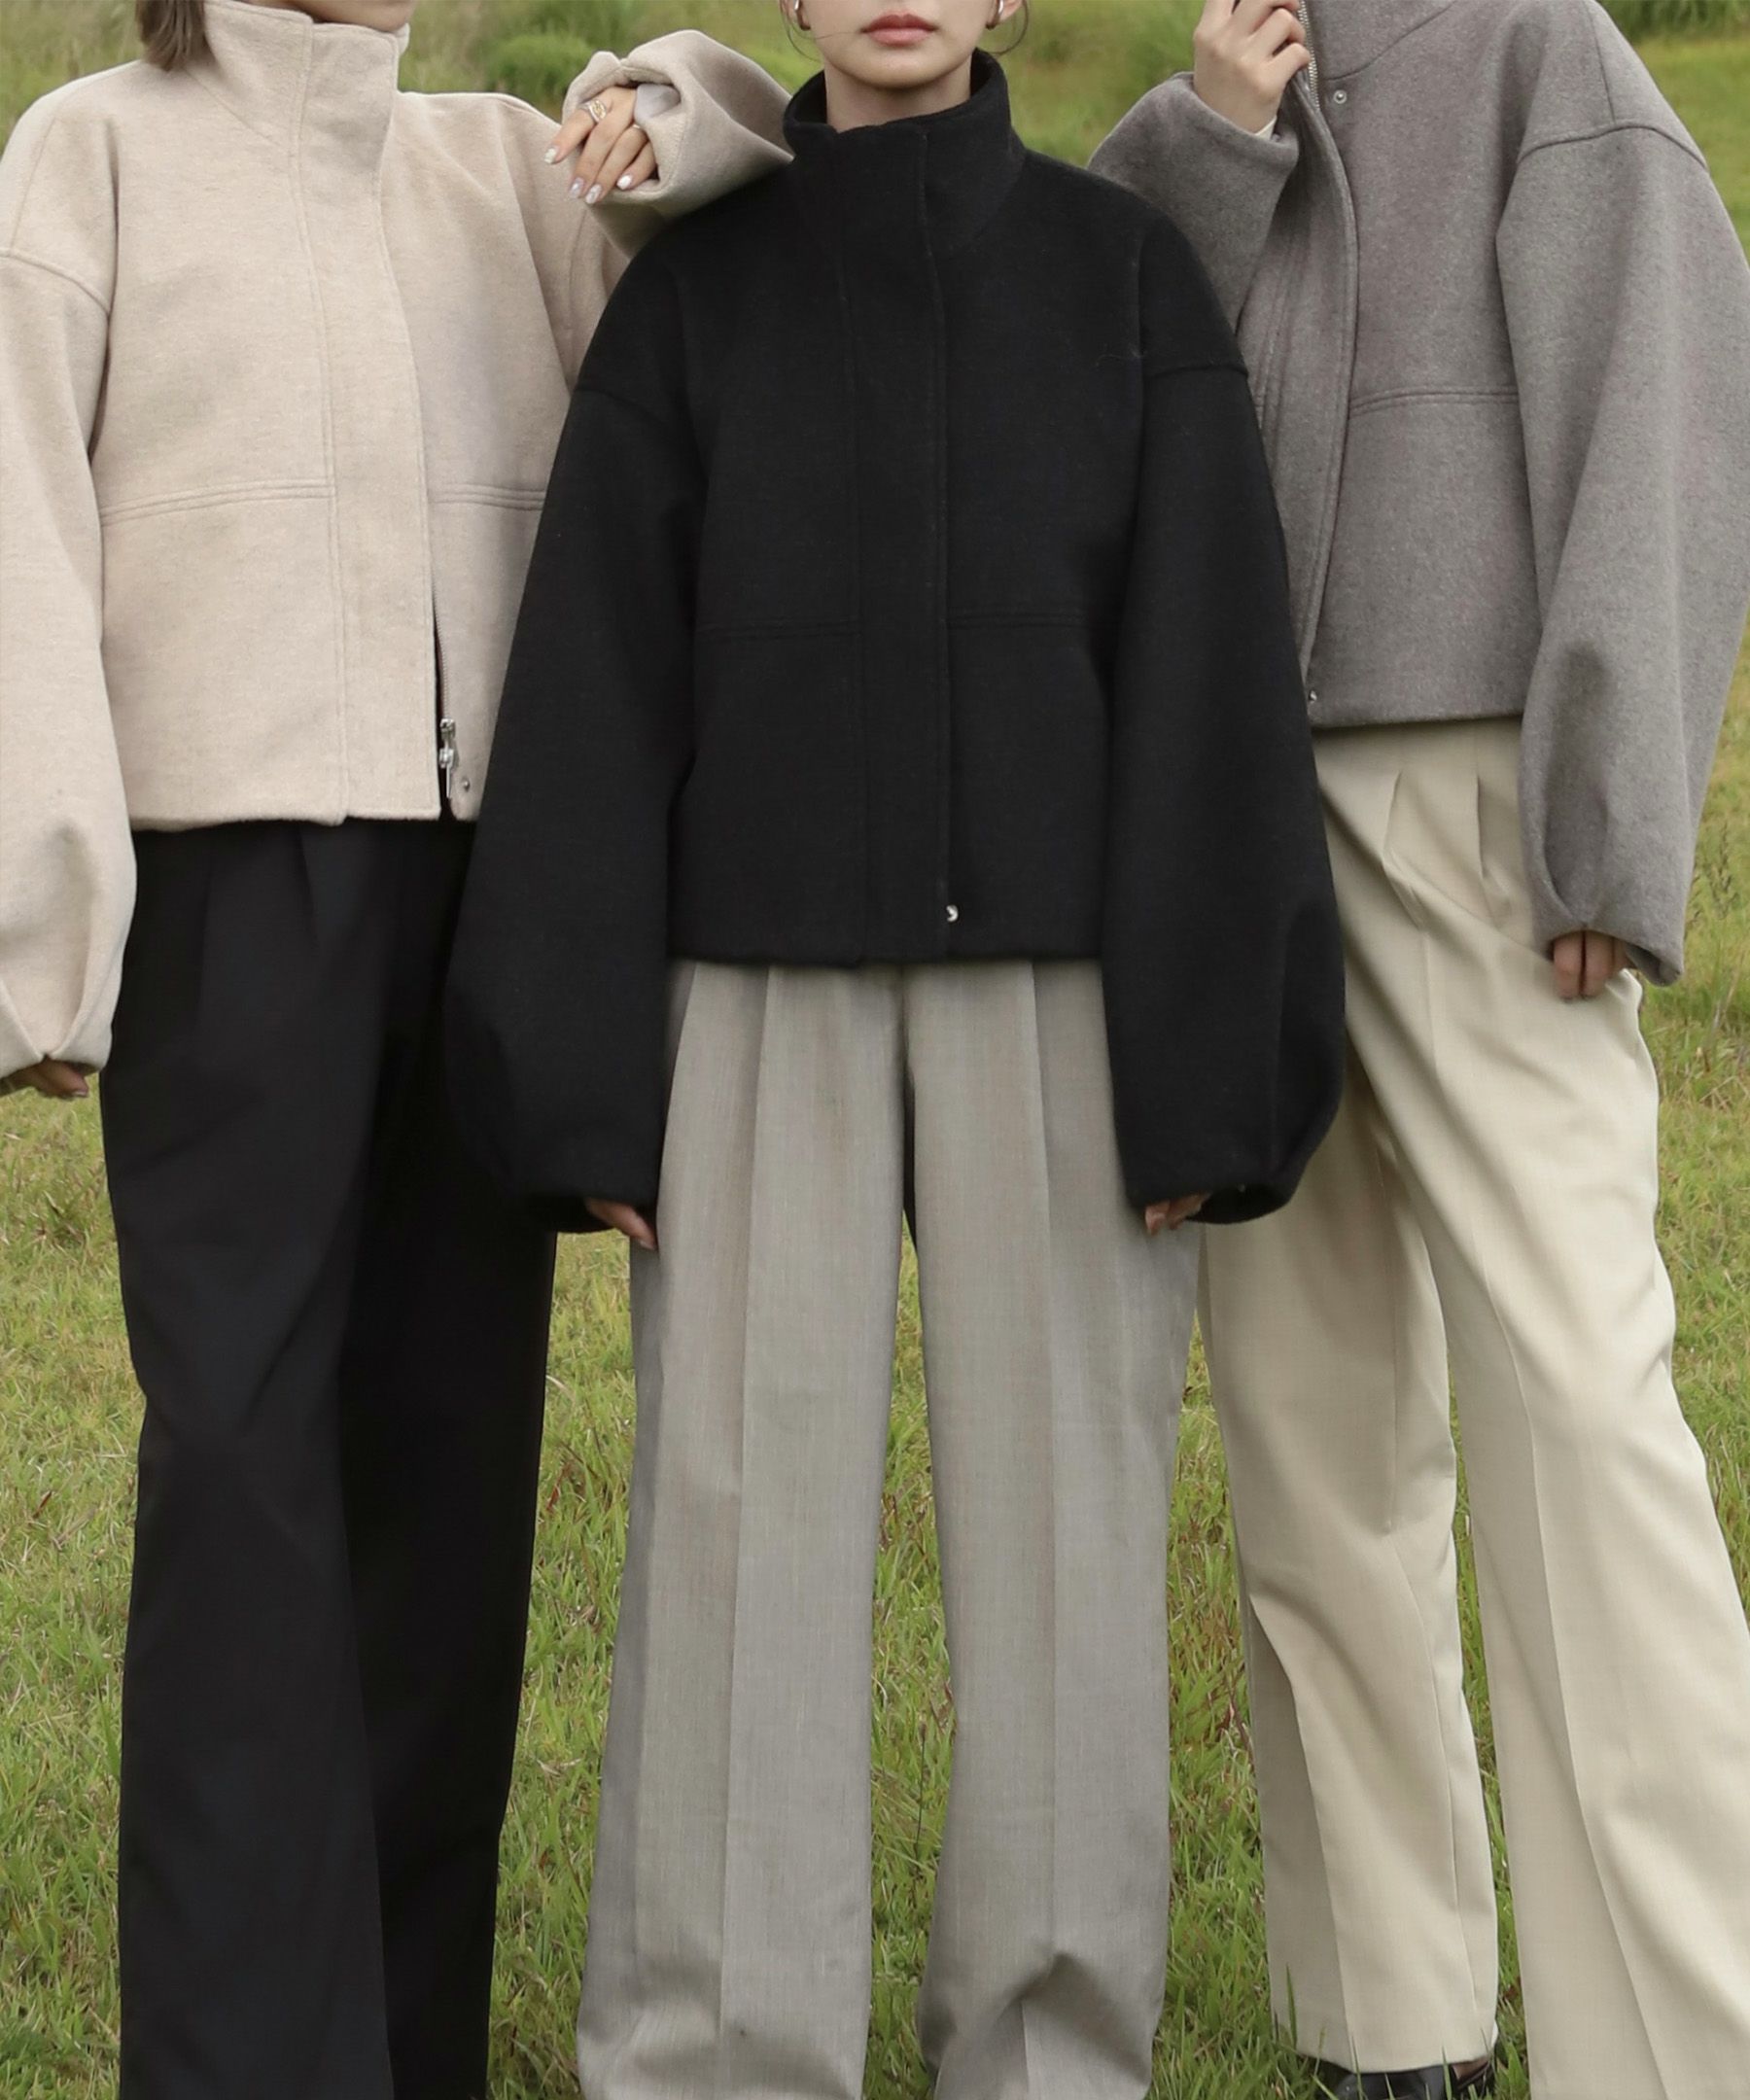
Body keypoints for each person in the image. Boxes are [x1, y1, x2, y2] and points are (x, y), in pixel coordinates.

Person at [445, 0, 1348, 2092]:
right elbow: (599, 676)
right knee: (733, 1541)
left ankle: (1050, 2050)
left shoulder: (1127, 282)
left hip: (1062, 1005)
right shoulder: (694, 306)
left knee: (1069, 1551)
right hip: (755, 994)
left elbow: (1207, 680)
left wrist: (1211, 1067)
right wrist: (578, 1067)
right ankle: (716, 2054)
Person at [0, 2, 788, 2091]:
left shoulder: (495, 164)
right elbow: (17, 539)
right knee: (242, 1480)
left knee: (455, 1487)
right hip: (230, 886)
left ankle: (406, 2038)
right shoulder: (89, 153)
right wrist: (53, 927)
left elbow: (749, 190)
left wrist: (659, 103)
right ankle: (246, 2058)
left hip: (486, 893)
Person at [1092, 2, 1750, 2095]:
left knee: (1579, 1410)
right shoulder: (1212, 81)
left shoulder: (1546, 51)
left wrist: (1605, 819)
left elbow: (1657, 413)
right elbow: (1080, 374)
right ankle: (1389, 2018)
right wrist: (1211, 139)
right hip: (1235, 815)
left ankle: (1682, 2038)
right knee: (1310, 1431)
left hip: (1475, 822)